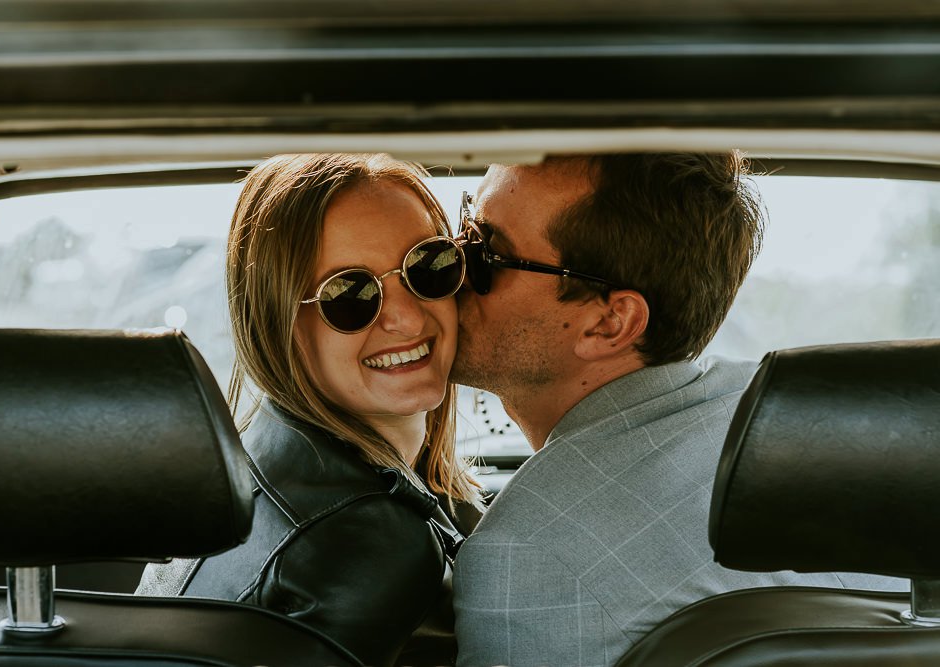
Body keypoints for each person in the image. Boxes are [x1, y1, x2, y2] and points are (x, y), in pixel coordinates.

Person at [450, 153, 901, 666]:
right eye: (461, 225)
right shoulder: (825, 447)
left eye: (486, 252)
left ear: (610, 324)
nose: (450, 265)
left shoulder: (528, 555)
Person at [138, 153, 482, 667]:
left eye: (428, 266)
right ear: (277, 325)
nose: (408, 319)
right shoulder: (367, 543)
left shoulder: (249, 458)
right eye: (349, 295)